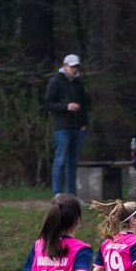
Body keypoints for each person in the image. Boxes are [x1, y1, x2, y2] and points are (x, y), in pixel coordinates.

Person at [42, 54, 90, 196]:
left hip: (78, 127)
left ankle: (71, 195)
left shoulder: (79, 83)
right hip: (62, 127)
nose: (75, 69)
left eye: (76, 67)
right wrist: (65, 107)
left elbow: (85, 104)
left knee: (72, 163)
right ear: (65, 66)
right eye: (72, 66)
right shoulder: (55, 82)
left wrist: (84, 123)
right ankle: (57, 193)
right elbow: (47, 103)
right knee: (60, 160)